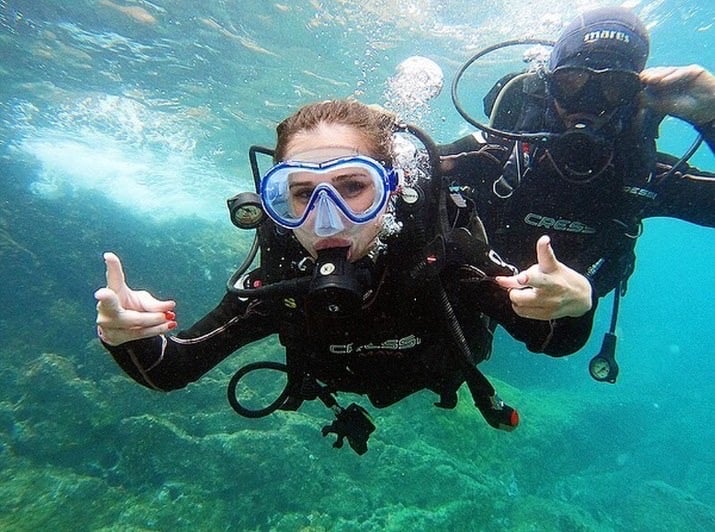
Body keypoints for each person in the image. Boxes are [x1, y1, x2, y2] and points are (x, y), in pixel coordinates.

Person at [95, 100, 595, 454]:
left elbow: (551, 340)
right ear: (275, 201)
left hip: (436, 377)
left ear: (391, 190)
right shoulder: (284, 278)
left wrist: (575, 302)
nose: (325, 219)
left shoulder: (444, 256)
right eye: (301, 193)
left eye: (354, 187)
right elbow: (171, 368)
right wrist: (127, 335)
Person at [439, 7, 714, 380]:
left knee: (560, 339)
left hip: (564, 316)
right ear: (548, 86)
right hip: (482, 282)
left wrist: (711, 117)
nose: (589, 103)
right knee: (455, 349)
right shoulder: (499, 153)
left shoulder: (642, 174)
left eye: (614, 87)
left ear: (634, 97)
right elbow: (407, 170)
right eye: (572, 83)